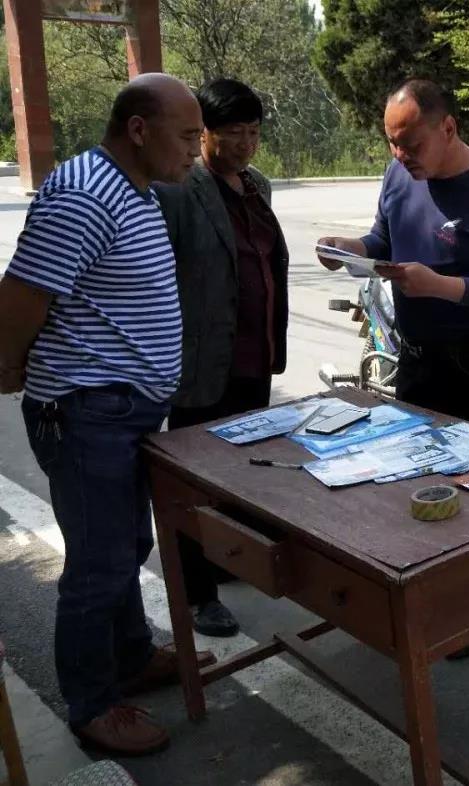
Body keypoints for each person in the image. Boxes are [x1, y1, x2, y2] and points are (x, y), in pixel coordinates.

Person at [0, 74, 217, 757]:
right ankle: (92, 702)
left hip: (121, 411)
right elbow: (21, 299)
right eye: (188, 136)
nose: (197, 150)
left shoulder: (136, 188)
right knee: (99, 564)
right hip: (86, 412)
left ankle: (131, 655)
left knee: (126, 547)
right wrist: (10, 367)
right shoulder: (84, 195)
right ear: (139, 130)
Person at [316, 78, 469, 430]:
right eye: (392, 143)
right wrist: (347, 250)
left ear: (448, 128)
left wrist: (437, 286)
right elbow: (383, 239)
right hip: (414, 360)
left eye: (412, 145)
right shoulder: (399, 174)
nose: (400, 156)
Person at [154, 78, 289, 638]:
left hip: (256, 357)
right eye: (234, 132)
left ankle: (224, 559)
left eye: (253, 132)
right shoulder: (178, 190)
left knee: (242, 470)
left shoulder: (258, 186)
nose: (246, 144)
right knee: (193, 482)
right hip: (202, 365)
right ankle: (197, 594)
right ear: (204, 133)